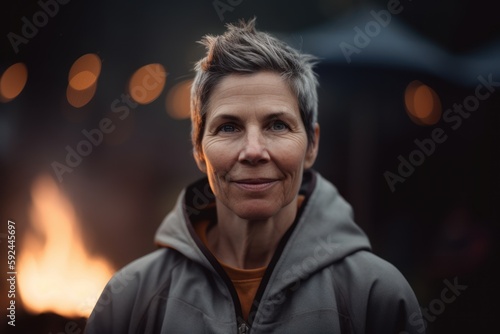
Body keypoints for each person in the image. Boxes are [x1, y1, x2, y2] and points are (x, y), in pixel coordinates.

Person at [85, 18, 424, 334]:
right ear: (198, 149)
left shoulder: (376, 297)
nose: (253, 151)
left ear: (312, 145)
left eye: (277, 125)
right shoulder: (130, 300)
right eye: (229, 127)